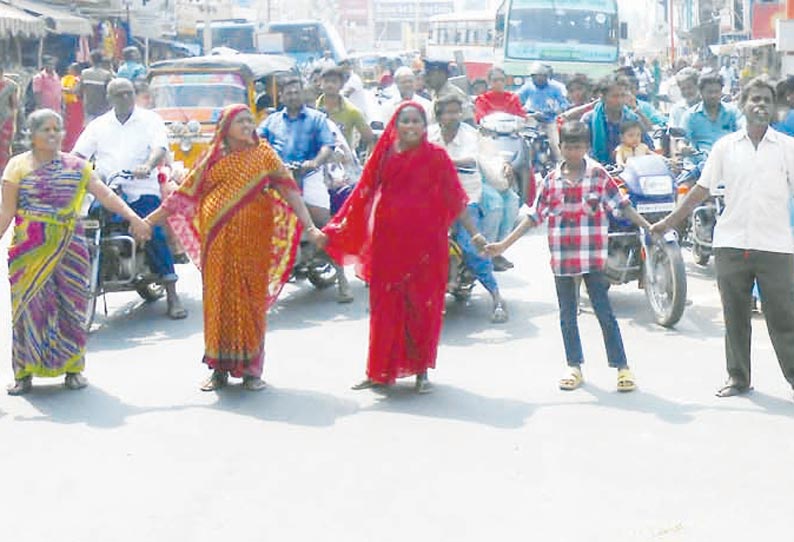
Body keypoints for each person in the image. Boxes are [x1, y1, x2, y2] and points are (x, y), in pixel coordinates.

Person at [144, 105, 319, 392]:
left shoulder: (264, 155)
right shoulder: (212, 158)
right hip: (217, 242)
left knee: (250, 298)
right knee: (218, 300)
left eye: (251, 119)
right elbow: (184, 194)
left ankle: (251, 370)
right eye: (241, 121)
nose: (249, 124)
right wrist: (149, 221)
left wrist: (310, 225)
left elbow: (289, 190)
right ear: (226, 127)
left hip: (254, 239)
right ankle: (218, 370)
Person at [319, 102, 478, 393]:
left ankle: (421, 372)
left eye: (417, 121)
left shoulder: (437, 157)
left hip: (427, 244)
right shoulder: (384, 155)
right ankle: (378, 370)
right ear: (396, 124)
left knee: (422, 306)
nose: (411, 126)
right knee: (384, 307)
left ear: (424, 125)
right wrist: (337, 227)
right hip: (388, 241)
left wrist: (475, 235)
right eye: (405, 121)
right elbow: (362, 192)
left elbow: (456, 199)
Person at [651, 77, 794, 398]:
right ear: (742, 105)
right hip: (731, 244)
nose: (760, 105)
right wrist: (671, 221)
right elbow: (701, 189)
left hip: (776, 246)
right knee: (735, 314)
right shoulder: (725, 148)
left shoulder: (787, 148)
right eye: (754, 99)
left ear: (774, 109)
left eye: (766, 100)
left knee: (784, 317)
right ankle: (738, 377)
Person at [486, 121, 648, 392]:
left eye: (579, 147)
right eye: (568, 147)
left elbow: (621, 206)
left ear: (586, 148)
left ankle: (622, 367)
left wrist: (649, 227)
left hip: (593, 257)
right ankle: (574, 366)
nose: (573, 152)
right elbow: (534, 217)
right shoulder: (551, 181)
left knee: (604, 312)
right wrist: (503, 245)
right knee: (567, 314)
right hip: (563, 258)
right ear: (560, 148)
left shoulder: (598, 175)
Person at [0, 109, 151, 395]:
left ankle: (72, 369)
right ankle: (24, 373)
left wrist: (134, 217)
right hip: (29, 250)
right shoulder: (17, 167)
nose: (54, 134)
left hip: (71, 245)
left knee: (71, 307)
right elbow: (6, 213)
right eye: (46, 129)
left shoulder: (77, 166)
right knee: (28, 311)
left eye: (57, 129)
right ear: (31, 135)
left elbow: (105, 195)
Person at [73, 78, 187, 319]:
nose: (124, 98)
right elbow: (79, 153)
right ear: (109, 98)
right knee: (89, 226)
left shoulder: (150, 120)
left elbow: (160, 148)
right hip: (109, 189)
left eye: (128, 93)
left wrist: (147, 165)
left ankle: (172, 294)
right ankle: (99, 268)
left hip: (141, 188)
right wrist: (70, 167)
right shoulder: (98, 125)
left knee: (152, 230)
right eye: (119, 95)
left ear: (134, 94)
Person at [258, 76, 353, 303]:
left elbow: (327, 146)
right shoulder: (271, 121)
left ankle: (343, 279)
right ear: (281, 96)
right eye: (288, 93)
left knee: (324, 223)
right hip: (277, 179)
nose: (292, 96)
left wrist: (314, 163)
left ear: (302, 94)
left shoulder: (317, 118)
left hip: (309, 176)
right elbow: (257, 142)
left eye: (296, 92)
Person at [428, 95, 508, 323]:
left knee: (471, 246)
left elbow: (471, 160)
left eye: (456, 111)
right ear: (438, 114)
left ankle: (497, 297)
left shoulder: (470, 135)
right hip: (432, 199)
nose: (452, 116)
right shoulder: (430, 134)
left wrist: (441, 161)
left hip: (465, 197)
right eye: (447, 112)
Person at [582, 74, 644, 166]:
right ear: (603, 97)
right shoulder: (588, 120)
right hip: (597, 170)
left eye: (623, 96)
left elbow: (647, 146)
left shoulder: (633, 119)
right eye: (614, 96)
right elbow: (583, 150)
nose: (619, 100)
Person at [517, 62, 569, 160]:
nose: (539, 79)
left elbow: (564, 103)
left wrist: (559, 109)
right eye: (537, 76)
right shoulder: (527, 87)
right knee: (525, 142)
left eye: (542, 76)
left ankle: (560, 163)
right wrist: (523, 111)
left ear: (547, 76)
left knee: (555, 143)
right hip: (532, 118)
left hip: (549, 119)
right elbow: (517, 101)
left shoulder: (555, 88)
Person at [316, 66, 375, 152]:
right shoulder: (313, 109)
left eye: (334, 81)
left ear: (342, 85)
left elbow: (370, 139)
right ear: (320, 83)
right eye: (326, 81)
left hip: (343, 161)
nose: (330, 85)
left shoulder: (352, 111)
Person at [682, 72, 744, 153]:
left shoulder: (733, 112)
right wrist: (683, 148)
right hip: (699, 161)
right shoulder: (691, 115)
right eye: (709, 92)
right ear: (700, 92)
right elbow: (682, 141)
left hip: (727, 159)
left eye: (716, 92)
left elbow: (743, 133)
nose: (713, 96)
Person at [424, 59, 474, 123]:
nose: (427, 78)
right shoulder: (434, 93)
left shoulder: (455, 94)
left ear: (443, 75)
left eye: (431, 74)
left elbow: (468, 121)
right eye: (426, 75)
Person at [81, 49, 114, 123]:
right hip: (103, 109)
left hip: (89, 108)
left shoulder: (85, 73)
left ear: (91, 60)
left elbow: (78, 91)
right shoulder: (106, 75)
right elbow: (111, 91)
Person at [61, 63, 84, 151]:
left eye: (70, 68)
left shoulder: (78, 79)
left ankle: (72, 145)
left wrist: (61, 88)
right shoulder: (67, 78)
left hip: (76, 105)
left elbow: (74, 91)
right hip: (68, 104)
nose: (68, 70)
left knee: (74, 126)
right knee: (68, 125)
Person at [0, 66, 18, 172]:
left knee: (4, 147)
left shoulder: (11, 86)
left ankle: (4, 170)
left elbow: (14, 105)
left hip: (5, 121)